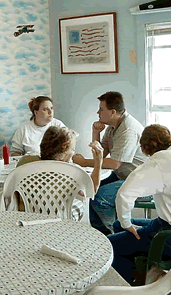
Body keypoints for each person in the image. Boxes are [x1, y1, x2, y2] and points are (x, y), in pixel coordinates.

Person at [109, 124, 171, 285]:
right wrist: (125, 224)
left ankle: (132, 288)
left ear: (147, 147)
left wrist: (127, 224)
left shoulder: (160, 161)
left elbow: (124, 194)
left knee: (110, 246)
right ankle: (141, 273)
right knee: (118, 224)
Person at [72, 91, 147, 234]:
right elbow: (102, 153)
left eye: (101, 109)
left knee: (100, 198)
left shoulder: (128, 130)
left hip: (140, 180)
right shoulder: (113, 126)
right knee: (89, 191)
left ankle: (112, 235)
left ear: (112, 112)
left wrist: (82, 162)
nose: (97, 112)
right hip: (124, 175)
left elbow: (114, 164)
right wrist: (96, 132)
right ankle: (98, 233)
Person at [17, 126, 104, 221]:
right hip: (60, 220)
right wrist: (99, 162)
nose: (73, 153)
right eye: (73, 150)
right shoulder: (73, 171)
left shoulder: (24, 162)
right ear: (63, 154)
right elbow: (92, 190)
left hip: (28, 217)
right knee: (79, 202)